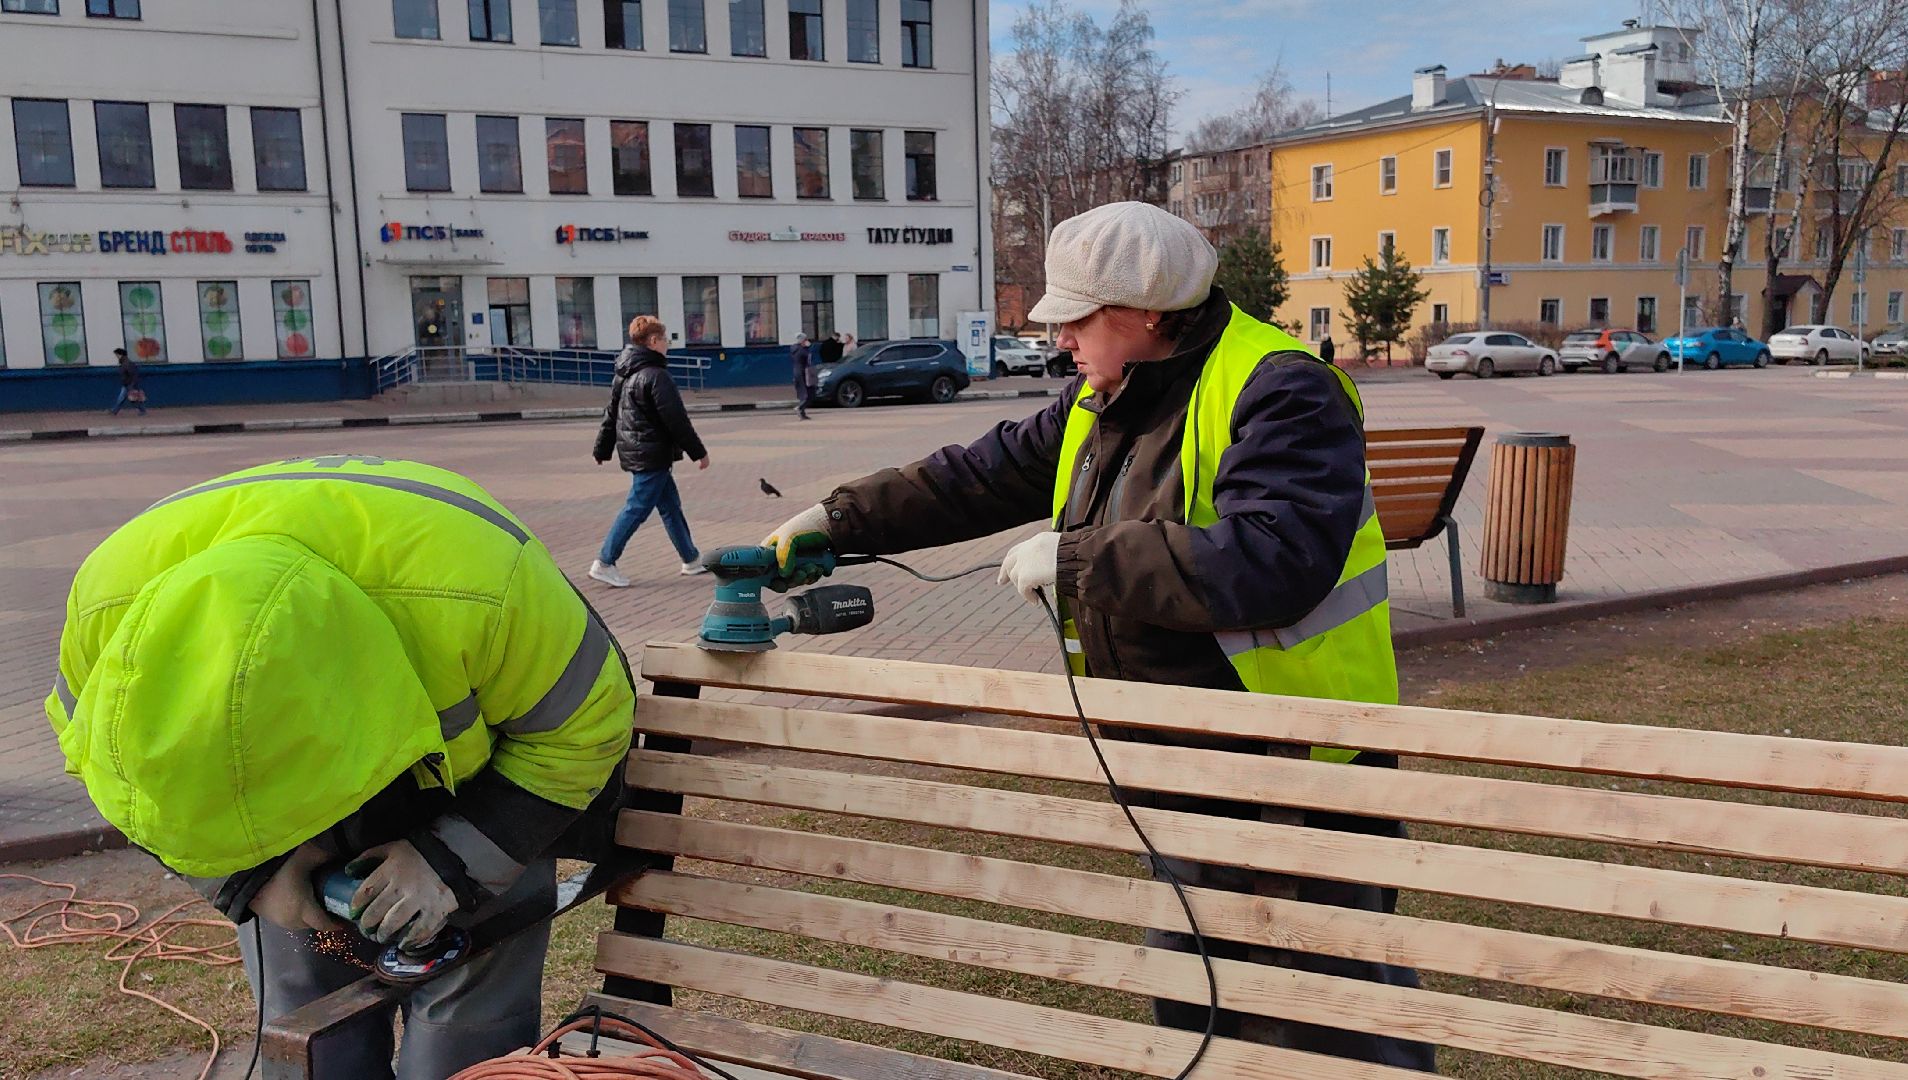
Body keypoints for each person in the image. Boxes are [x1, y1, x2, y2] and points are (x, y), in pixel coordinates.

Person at [762, 201, 1435, 1071]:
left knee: (1335, 997)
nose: (1061, 340)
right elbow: (979, 475)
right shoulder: (1112, 395)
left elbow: (1277, 559)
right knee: (1203, 986)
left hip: (1296, 755)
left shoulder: (1281, 386)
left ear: (1145, 312)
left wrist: (1082, 556)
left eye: (1076, 319)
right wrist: (839, 518)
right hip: (1189, 755)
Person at [45, 454, 636, 1080]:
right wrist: (251, 877)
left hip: (476, 785)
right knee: (311, 1011)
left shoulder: (483, 592)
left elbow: (582, 730)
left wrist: (455, 858)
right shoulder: (107, 609)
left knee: (470, 1015)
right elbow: (115, 778)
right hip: (294, 783)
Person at [590, 316, 710, 586]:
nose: (667, 344)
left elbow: (610, 415)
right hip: (651, 455)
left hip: (642, 452)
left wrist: (602, 448)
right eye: (665, 339)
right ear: (653, 341)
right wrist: (698, 452)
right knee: (637, 508)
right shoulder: (656, 376)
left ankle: (690, 559)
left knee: (670, 506)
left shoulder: (625, 373)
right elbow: (676, 419)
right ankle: (605, 562)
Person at [109, 347, 147, 416]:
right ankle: (115, 410)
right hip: (127, 384)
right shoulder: (126, 363)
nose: (116, 357)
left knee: (132, 399)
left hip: (129, 384)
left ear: (121, 355)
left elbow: (133, 375)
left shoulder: (127, 364)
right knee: (124, 398)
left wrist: (132, 384)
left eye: (117, 355)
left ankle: (142, 410)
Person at [790, 333, 814, 421]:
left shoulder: (794, 349)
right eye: (806, 340)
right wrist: (808, 348)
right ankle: (800, 408)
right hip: (803, 372)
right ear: (802, 341)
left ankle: (802, 413)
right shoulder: (802, 350)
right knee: (808, 393)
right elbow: (808, 359)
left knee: (803, 393)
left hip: (797, 372)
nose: (807, 341)